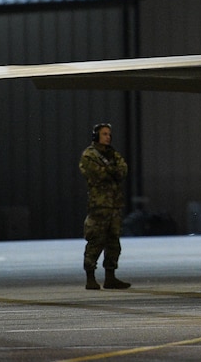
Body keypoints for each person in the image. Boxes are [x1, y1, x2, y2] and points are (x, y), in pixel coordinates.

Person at [80, 122, 131, 290]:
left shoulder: (113, 154)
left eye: (109, 134)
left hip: (114, 205)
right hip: (99, 206)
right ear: (96, 136)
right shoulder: (89, 155)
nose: (108, 137)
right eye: (104, 134)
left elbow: (123, 171)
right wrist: (112, 171)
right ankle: (90, 277)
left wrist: (111, 171)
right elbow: (96, 174)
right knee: (95, 240)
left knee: (113, 242)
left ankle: (110, 276)